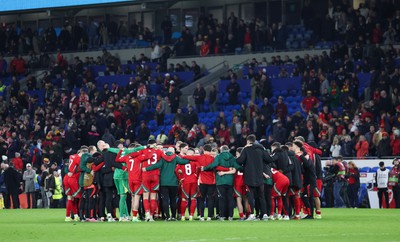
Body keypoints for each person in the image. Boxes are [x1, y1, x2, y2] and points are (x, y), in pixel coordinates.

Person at [144, 146, 189, 221]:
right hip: (173, 183)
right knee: (173, 200)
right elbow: (184, 162)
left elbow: (156, 165)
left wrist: (146, 168)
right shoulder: (175, 158)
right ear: (173, 152)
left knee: (165, 200)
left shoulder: (163, 158)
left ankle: (167, 216)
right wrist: (190, 157)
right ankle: (173, 216)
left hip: (163, 182)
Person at [236, 134, 273, 220]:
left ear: (248, 141)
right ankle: (264, 215)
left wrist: (244, 149)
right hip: (260, 177)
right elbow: (269, 159)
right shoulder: (261, 149)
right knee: (261, 196)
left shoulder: (246, 150)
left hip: (249, 177)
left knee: (251, 197)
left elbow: (239, 160)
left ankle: (252, 214)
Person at [203, 145, 241, 221]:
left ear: (221, 150)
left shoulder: (219, 157)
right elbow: (237, 166)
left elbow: (214, 165)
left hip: (220, 180)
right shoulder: (232, 157)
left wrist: (205, 168)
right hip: (230, 181)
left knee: (221, 199)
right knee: (230, 198)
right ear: (228, 150)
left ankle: (222, 216)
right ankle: (230, 216)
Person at [130, 139, 164, 221]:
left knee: (145, 197)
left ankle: (147, 215)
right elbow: (165, 158)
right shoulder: (159, 151)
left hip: (145, 175)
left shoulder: (143, 150)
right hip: (155, 176)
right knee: (153, 197)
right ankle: (152, 216)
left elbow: (132, 154)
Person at [182, 144, 215, 221]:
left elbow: (187, 157)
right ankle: (210, 216)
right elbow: (215, 167)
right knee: (210, 199)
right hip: (212, 181)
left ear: (203, 150)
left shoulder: (199, 157)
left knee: (201, 199)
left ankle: (202, 216)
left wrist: (183, 155)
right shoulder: (213, 159)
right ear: (210, 150)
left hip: (202, 181)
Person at [64, 148, 85, 221]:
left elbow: (67, 167)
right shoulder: (78, 158)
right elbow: (82, 167)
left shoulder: (72, 156)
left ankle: (73, 216)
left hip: (67, 178)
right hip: (73, 178)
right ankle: (79, 215)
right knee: (79, 198)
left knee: (70, 198)